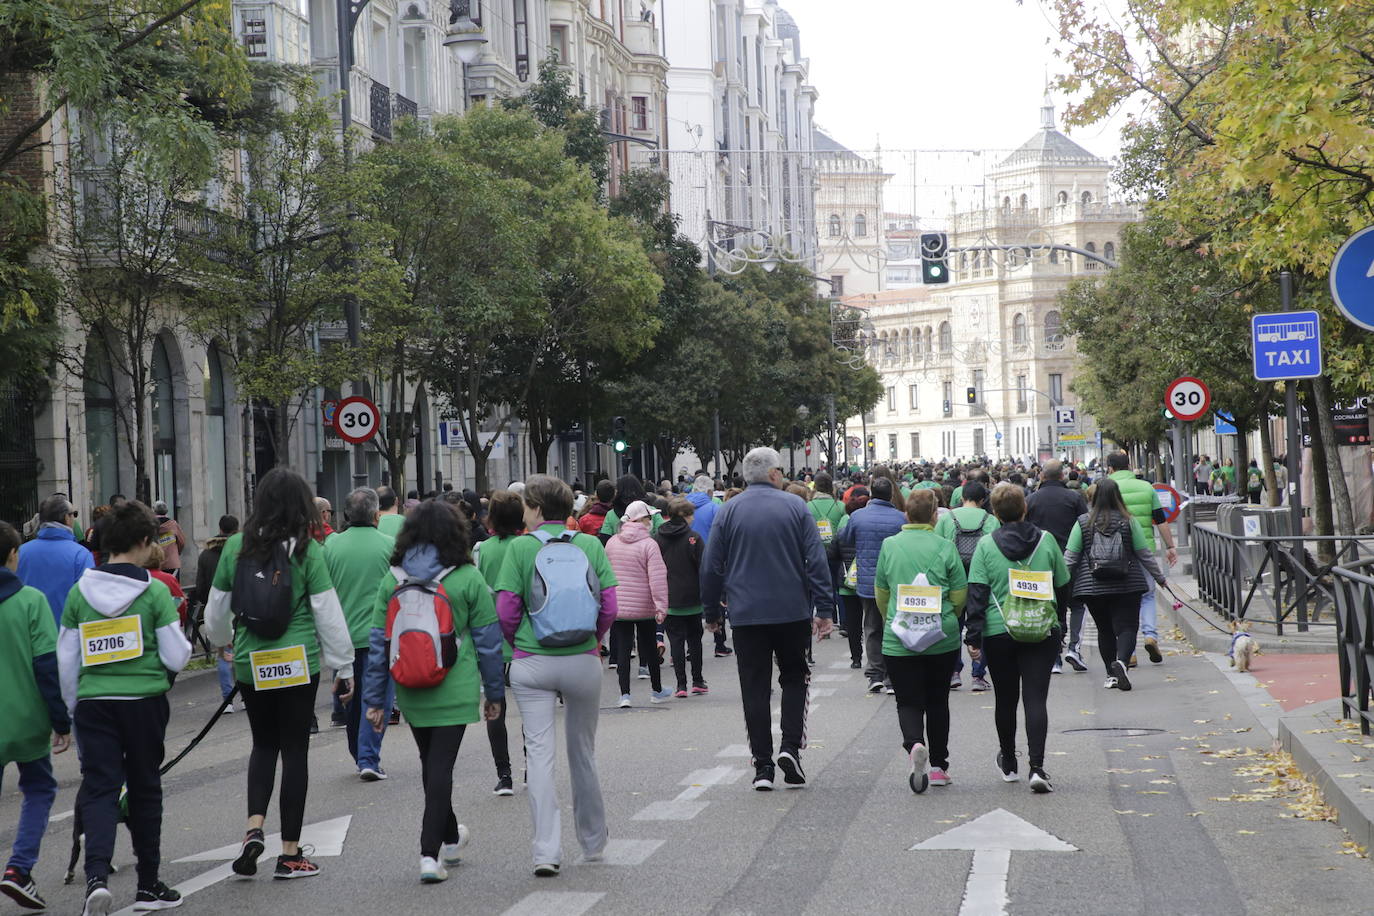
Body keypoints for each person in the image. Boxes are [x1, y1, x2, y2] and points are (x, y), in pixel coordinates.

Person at [204, 467, 355, 881]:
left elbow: (216, 611)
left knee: (263, 745)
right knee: (295, 751)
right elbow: (327, 612)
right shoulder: (308, 550)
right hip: (297, 661)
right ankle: (290, 854)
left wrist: (222, 642)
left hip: (253, 663)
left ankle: (254, 827)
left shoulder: (236, 545)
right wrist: (343, 665)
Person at [57, 501, 192, 913]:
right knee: (145, 787)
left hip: (95, 705)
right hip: (143, 703)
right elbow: (177, 656)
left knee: (100, 787)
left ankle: (96, 876)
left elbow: (66, 657)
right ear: (143, 542)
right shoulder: (153, 591)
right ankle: (148, 884)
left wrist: (71, 707)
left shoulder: (80, 593)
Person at [362, 499, 505, 884]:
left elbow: (380, 643)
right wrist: (495, 693)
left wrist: (375, 700)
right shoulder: (467, 577)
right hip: (454, 684)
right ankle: (429, 854)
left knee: (432, 764)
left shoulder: (393, 578)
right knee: (439, 767)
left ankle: (451, 836)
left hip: (410, 685)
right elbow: (489, 642)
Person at [493, 475, 617, 876]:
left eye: (527, 505)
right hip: (582, 660)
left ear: (537, 508)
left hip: (533, 662)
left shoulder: (520, 548)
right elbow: (610, 605)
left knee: (540, 756)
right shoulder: (589, 545)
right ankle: (593, 841)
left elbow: (507, 610)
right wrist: (592, 641)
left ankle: (546, 851)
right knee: (583, 752)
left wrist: (519, 645)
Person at [701, 447, 834, 791]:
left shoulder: (728, 511)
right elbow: (816, 560)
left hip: (746, 614)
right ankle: (790, 747)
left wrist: (712, 612)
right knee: (795, 677)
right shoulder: (796, 507)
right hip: (791, 610)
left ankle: (762, 765)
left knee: (754, 688)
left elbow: (711, 565)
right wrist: (824, 610)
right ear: (775, 474)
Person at [964, 483, 1070, 794]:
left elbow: (978, 593)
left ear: (994, 513)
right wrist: (1059, 623)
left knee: (1006, 699)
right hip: (1041, 629)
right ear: (1024, 508)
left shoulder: (985, 545)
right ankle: (1037, 767)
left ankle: (1009, 761)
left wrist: (973, 635)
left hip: (1000, 631)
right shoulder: (1047, 541)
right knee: (1036, 699)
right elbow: (1062, 585)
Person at [874, 489, 967, 793]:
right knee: (938, 700)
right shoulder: (945, 546)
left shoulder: (890, 546)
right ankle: (939, 766)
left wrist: (900, 621)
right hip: (941, 636)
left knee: (907, 701)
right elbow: (958, 594)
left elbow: (882, 593)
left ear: (906, 515)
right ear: (934, 516)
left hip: (899, 639)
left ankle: (914, 743)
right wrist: (944, 616)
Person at [0, 520, 72, 911]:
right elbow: (47, 666)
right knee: (40, 788)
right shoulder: (30, 601)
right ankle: (18, 869)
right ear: (13, 556)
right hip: (26, 721)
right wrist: (61, 721)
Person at [1062, 479, 1167, 691]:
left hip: (1093, 586)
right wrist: (1160, 578)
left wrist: (1058, 582)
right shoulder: (1129, 521)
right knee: (1127, 627)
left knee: (1104, 629)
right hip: (1127, 584)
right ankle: (1121, 663)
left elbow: (1070, 558)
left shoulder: (1083, 522)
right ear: (1117, 496)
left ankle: (1111, 675)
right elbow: (1144, 554)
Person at [324, 487, 397, 781]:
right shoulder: (390, 545)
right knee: (375, 696)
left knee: (350, 702)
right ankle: (368, 757)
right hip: (380, 635)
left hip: (341, 638)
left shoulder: (330, 547)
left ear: (345, 515)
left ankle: (359, 753)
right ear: (376, 514)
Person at [473, 490, 523, 795]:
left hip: (490, 637)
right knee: (531, 706)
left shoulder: (481, 550)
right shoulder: (526, 546)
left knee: (495, 707)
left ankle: (504, 775)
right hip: (523, 636)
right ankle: (533, 764)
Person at [835, 477, 906, 694]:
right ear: (891, 495)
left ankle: (874, 673)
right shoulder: (899, 518)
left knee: (872, 627)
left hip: (867, 581)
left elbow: (844, 538)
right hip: (893, 581)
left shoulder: (857, 516)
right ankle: (892, 677)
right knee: (892, 627)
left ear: (872, 494)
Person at [1105, 452, 1177, 665]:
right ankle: (1150, 636)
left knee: (1120, 599)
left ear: (1110, 468)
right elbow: (1161, 520)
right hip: (1144, 549)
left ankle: (1128, 651)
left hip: (1115, 551)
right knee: (1147, 595)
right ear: (1129, 466)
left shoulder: (1107, 487)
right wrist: (1170, 546)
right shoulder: (1147, 488)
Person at [1025, 461, 1090, 674]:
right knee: (1077, 605)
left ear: (1042, 477)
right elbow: (1085, 526)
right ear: (1062, 476)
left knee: (1048, 608)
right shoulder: (1074, 498)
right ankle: (1074, 648)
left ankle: (1054, 658)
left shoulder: (1031, 500)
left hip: (1041, 563)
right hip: (1072, 560)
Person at [935, 481, 1000, 691]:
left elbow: (937, 549)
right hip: (981, 579)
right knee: (981, 623)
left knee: (954, 624)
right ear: (983, 500)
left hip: (953, 579)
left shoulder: (946, 519)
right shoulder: (990, 520)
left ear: (962, 497)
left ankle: (953, 671)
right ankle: (978, 674)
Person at [606, 500, 670, 707]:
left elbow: (606, 574)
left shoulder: (613, 542)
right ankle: (656, 690)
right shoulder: (650, 545)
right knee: (649, 648)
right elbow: (657, 579)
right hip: (644, 606)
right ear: (641, 520)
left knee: (623, 650)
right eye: (649, 517)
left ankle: (625, 695)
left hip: (619, 606)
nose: (651, 521)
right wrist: (661, 607)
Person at [654, 497, 708, 698]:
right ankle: (698, 680)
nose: (693, 518)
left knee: (675, 641)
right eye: (691, 514)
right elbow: (703, 567)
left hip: (669, 598)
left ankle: (681, 684)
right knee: (695, 640)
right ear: (684, 516)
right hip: (692, 597)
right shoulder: (693, 538)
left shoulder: (658, 538)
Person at [17, 493, 94, 626]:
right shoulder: (80, 555)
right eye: (74, 514)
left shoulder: (20, 553)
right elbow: (89, 601)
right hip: (66, 635)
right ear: (67, 518)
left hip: (28, 634)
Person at [194, 516, 240, 712]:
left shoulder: (206, 554)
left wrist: (207, 603)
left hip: (216, 608)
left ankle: (227, 700)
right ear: (237, 529)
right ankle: (245, 695)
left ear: (219, 528)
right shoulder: (240, 551)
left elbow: (201, 585)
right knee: (240, 650)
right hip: (239, 606)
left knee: (222, 651)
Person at [836, 486, 870, 667]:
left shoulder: (842, 529)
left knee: (853, 623)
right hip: (869, 582)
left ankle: (856, 658)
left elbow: (832, 556)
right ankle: (875, 659)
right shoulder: (869, 530)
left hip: (847, 585)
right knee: (872, 622)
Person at [151, 501, 185, 580]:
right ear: (166, 511)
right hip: (172, 563)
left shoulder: (150, 526)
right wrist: (176, 553)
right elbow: (182, 542)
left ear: (154, 511)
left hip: (156, 563)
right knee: (173, 588)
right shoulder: (173, 525)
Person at [685, 475, 720, 542]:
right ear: (709, 491)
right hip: (707, 549)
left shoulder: (680, 505)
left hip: (685, 549)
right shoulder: (715, 509)